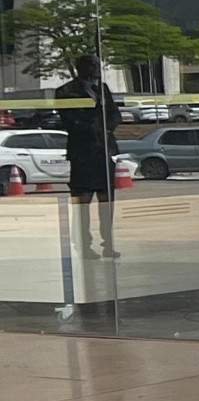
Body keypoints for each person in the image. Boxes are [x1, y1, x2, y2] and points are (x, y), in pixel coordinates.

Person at [54, 58, 121, 257]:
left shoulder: (103, 89)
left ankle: (108, 243)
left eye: (97, 66)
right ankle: (84, 245)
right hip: (83, 153)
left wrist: (107, 128)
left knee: (107, 202)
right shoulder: (66, 91)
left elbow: (114, 114)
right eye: (92, 66)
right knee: (83, 204)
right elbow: (70, 121)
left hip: (104, 151)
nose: (96, 70)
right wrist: (92, 128)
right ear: (80, 68)